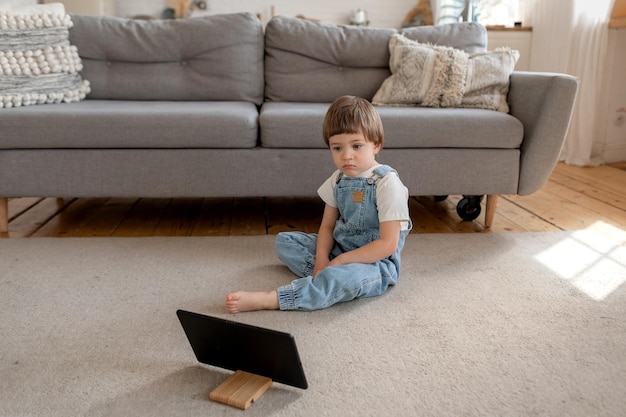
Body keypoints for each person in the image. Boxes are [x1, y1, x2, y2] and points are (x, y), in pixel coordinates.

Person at [225, 95, 412, 313]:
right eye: (337, 148)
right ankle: (324, 279)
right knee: (285, 243)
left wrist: (341, 262)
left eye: (357, 145)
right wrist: (322, 260)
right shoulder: (338, 179)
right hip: (339, 249)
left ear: (376, 145)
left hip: (375, 264)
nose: (346, 156)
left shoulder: (387, 183)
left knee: (345, 276)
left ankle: (276, 298)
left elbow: (387, 244)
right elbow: (327, 227)